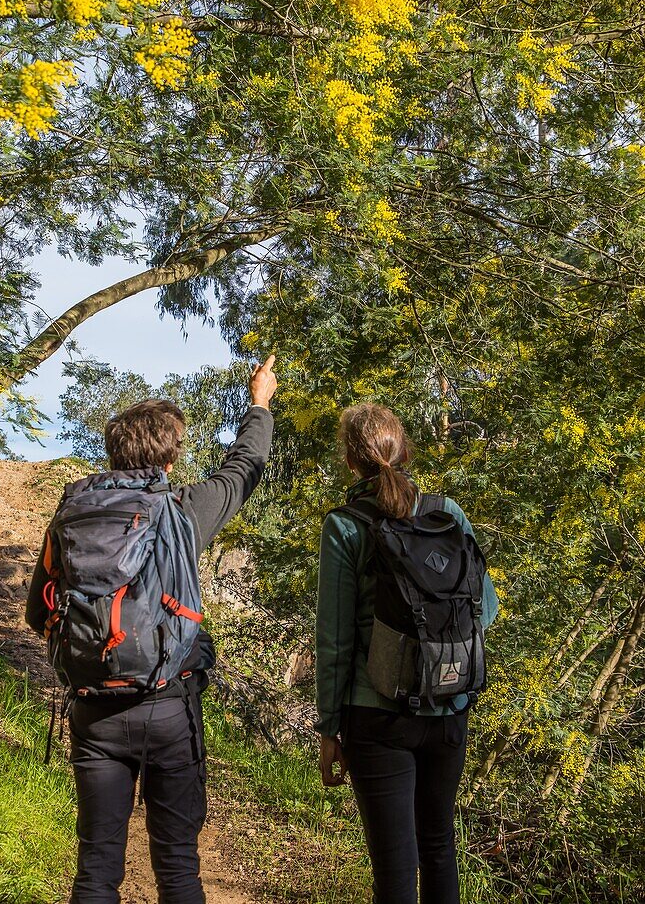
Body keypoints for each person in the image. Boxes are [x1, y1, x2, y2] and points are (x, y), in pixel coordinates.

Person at [25, 355, 278, 904]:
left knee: (95, 869)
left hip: (93, 709)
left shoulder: (71, 516)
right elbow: (244, 469)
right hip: (168, 707)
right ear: (170, 454)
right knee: (178, 867)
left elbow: (36, 612)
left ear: (115, 450)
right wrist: (259, 405)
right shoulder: (181, 511)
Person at [315, 403, 498, 904]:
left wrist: (329, 729)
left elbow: (334, 641)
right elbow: (487, 607)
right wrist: (439, 652)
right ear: (405, 451)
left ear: (351, 461)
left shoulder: (346, 525)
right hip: (450, 709)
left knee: (395, 869)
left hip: (376, 716)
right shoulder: (447, 512)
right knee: (439, 847)